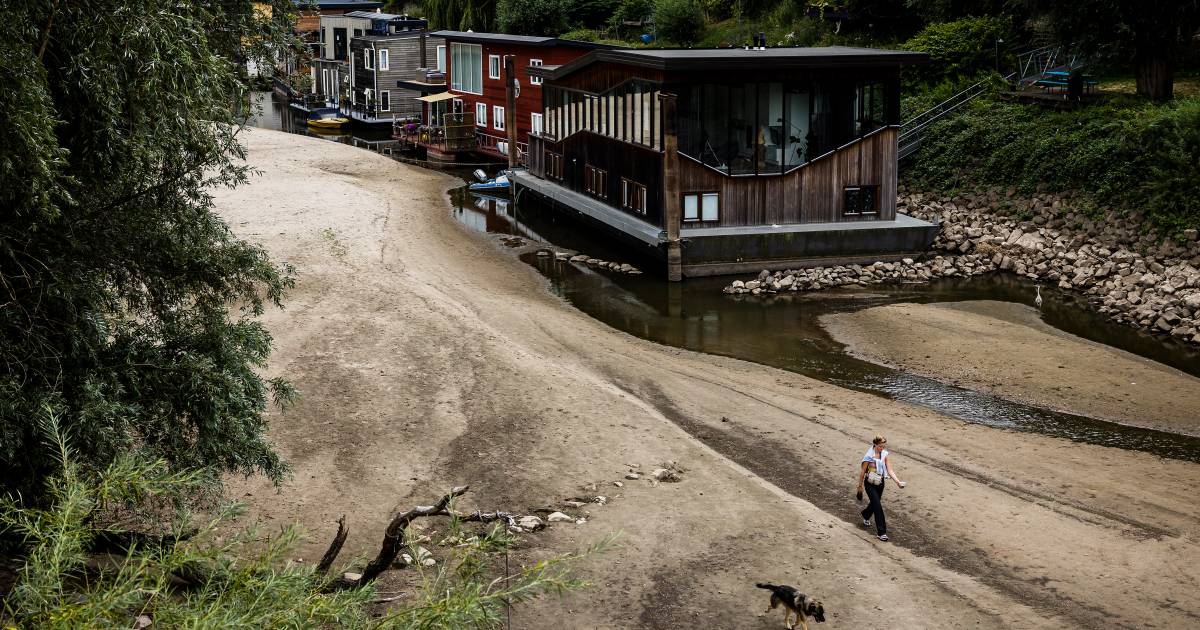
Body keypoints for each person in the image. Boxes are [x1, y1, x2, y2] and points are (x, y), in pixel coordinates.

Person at [857, 435, 906, 541]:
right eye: (880, 446)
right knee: (878, 506)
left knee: (875, 503)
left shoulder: (884, 455)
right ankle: (881, 532)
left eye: (883, 446)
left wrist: (897, 481)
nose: (882, 449)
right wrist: (860, 486)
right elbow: (862, 472)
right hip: (869, 483)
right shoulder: (868, 457)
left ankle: (865, 515)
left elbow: (890, 470)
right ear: (875, 444)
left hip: (880, 483)